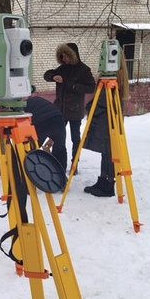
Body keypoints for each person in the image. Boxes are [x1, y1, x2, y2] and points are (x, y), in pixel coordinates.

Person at [83, 46, 131, 197]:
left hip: (107, 119)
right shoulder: (117, 76)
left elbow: (104, 101)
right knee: (106, 151)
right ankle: (103, 180)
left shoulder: (114, 79)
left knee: (110, 152)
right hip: (106, 118)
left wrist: (91, 107)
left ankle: (109, 183)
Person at [43, 42, 95, 174]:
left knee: (75, 138)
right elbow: (47, 75)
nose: (64, 59)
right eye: (62, 56)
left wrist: (72, 85)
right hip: (60, 109)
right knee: (57, 136)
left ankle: (74, 164)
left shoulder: (84, 70)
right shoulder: (62, 68)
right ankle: (57, 162)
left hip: (75, 110)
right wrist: (53, 76)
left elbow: (91, 87)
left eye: (66, 56)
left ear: (73, 55)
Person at [24, 87, 67, 173]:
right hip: (59, 120)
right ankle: (60, 177)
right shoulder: (39, 99)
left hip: (42, 122)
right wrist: (52, 137)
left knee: (31, 150)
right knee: (60, 149)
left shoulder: (23, 105)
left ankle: (30, 174)